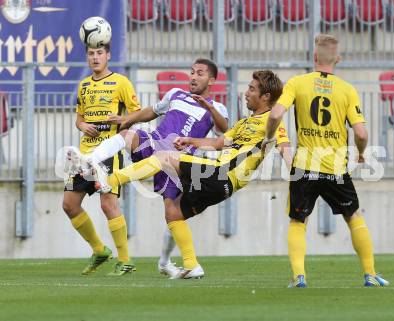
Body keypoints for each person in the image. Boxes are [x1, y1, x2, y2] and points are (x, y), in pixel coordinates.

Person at [87, 70, 291, 279]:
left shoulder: (273, 123)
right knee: (174, 212)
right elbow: (219, 142)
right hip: (220, 185)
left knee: (165, 158)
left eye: (252, 89)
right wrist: (191, 141)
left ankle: (110, 180)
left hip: (220, 174)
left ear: (265, 96)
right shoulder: (243, 123)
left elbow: (284, 146)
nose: (246, 93)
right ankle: (192, 265)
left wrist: (295, 175)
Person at [67, 58, 229, 278]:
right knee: (127, 135)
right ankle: (90, 160)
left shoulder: (216, 108)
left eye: (199, 73)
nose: (193, 77)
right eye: (191, 72)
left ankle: (172, 263)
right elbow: (151, 112)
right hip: (155, 142)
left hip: (176, 160)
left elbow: (223, 129)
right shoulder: (175, 94)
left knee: (173, 213)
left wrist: (209, 107)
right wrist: (126, 119)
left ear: (211, 80)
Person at [263, 34, 389, 288]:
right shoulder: (347, 90)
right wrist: (361, 152)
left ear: (314, 57)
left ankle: (299, 276)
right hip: (335, 168)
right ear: (338, 59)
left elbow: (276, 113)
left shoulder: (297, 83)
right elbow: (361, 133)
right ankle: (370, 274)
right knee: (353, 216)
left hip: (304, 167)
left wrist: (268, 136)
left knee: (298, 221)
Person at [62, 43, 141, 276]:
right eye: (91, 54)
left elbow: (138, 114)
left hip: (109, 152)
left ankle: (125, 260)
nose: (95, 58)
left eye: (99, 53)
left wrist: (122, 119)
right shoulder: (84, 85)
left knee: (108, 203)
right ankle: (99, 250)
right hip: (84, 154)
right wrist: (83, 125)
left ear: (108, 55)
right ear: (87, 57)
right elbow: (79, 119)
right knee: (69, 204)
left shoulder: (121, 82)